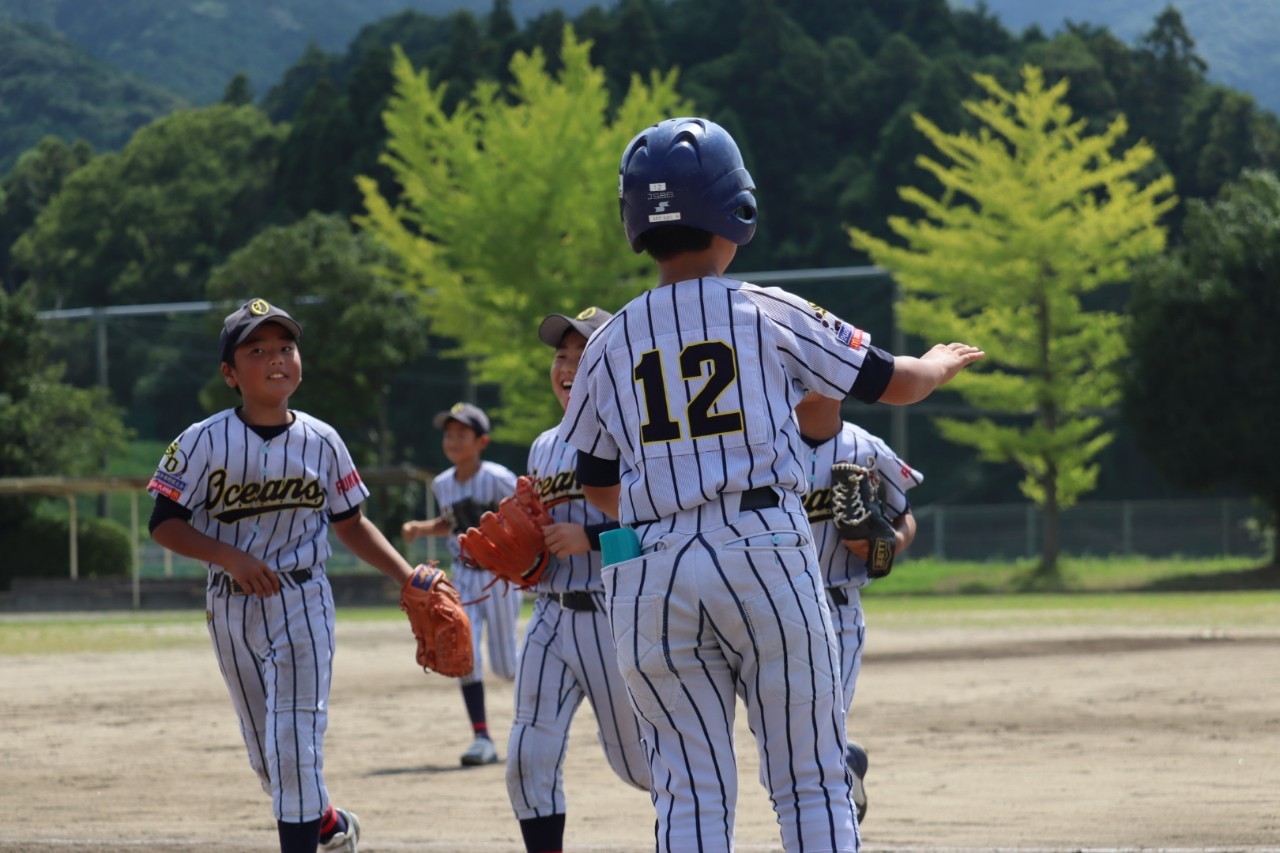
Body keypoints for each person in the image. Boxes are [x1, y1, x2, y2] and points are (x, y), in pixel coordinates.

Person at [556, 116, 984, 852]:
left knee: (689, 792)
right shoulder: (765, 309)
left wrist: (668, 509)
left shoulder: (606, 343)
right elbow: (897, 382)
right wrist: (940, 361)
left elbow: (596, 484)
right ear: (734, 211)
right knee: (809, 778)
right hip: (762, 547)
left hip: (651, 569)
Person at [148, 298, 417, 853]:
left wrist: (406, 574)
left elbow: (351, 523)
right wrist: (230, 556)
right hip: (229, 605)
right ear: (230, 373)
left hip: (302, 599)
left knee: (294, 741)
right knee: (268, 754)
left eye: (286, 348)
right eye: (258, 350)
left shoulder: (323, 440)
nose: (277, 359)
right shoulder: (201, 441)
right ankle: (324, 821)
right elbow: (164, 524)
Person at [505, 307, 651, 853]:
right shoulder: (544, 445)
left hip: (613, 618)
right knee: (527, 759)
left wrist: (589, 539)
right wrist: (524, 555)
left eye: (582, 355)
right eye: (560, 356)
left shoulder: (641, 438)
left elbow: (662, 524)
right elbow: (543, 536)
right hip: (548, 616)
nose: (567, 366)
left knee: (639, 768)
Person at [793, 392, 923, 825]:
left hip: (838, 608)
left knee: (815, 739)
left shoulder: (865, 447)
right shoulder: (766, 446)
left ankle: (836, 792)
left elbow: (904, 516)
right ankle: (845, 758)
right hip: (775, 607)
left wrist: (887, 543)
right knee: (785, 737)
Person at [401, 402, 520, 766]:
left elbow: (527, 515)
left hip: (499, 577)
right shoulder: (442, 484)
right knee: (463, 648)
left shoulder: (499, 478)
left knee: (506, 666)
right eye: (448, 434)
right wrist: (424, 527)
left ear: (481, 441)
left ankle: (537, 713)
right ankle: (482, 736)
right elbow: (453, 522)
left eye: (461, 434)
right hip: (465, 575)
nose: (453, 440)